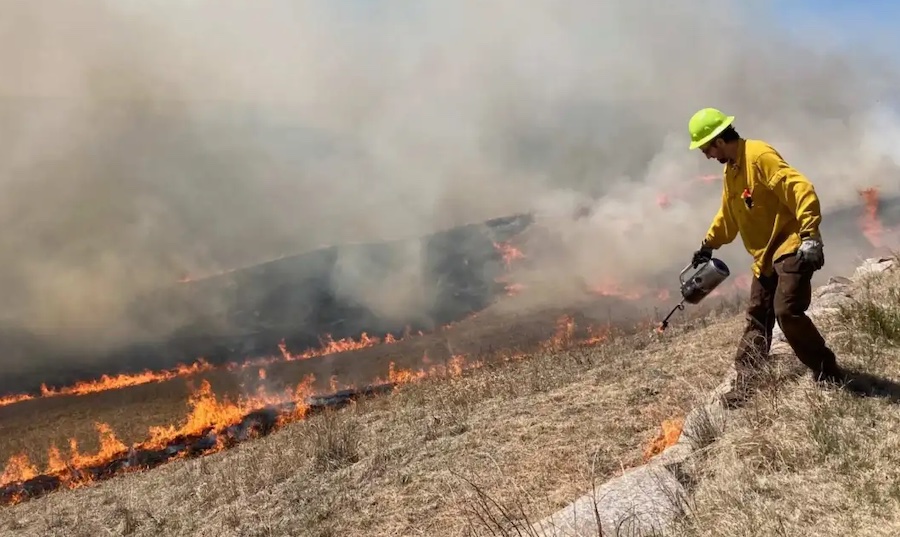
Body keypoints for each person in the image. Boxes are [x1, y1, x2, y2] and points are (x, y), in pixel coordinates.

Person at [687, 107, 845, 405]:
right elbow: (728, 215)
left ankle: (828, 371)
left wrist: (810, 235)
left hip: (792, 246)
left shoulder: (759, 156)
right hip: (765, 258)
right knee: (757, 317)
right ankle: (744, 386)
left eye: (706, 149)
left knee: (787, 311)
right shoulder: (732, 171)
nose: (707, 156)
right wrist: (708, 244)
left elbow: (800, 188)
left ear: (719, 141)